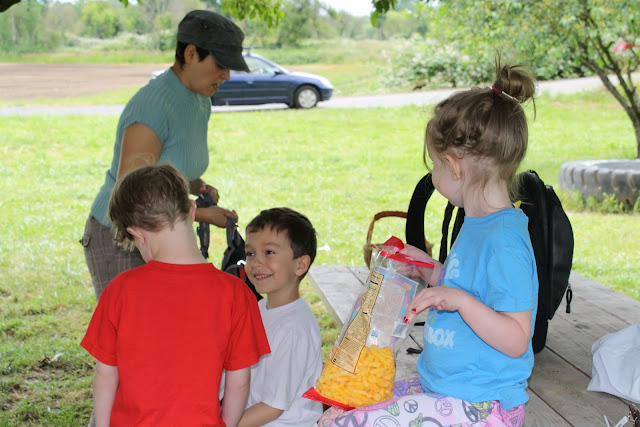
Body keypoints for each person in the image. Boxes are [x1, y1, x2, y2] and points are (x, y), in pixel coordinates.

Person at [319, 61, 539, 427]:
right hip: (446, 389)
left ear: (454, 166)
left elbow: (516, 339)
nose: (434, 175)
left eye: (433, 165)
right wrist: (429, 269)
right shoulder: (477, 223)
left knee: (344, 424)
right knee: (344, 407)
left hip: (482, 406)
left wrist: (458, 300)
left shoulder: (504, 241)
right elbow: (467, 287)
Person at [80, 164, 271, 426]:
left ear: (136, 233)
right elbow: (238, 383)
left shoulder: (120, 290)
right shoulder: (236, 294)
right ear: (192, 211)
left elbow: (105, 375)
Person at [81, 9, 249, 301]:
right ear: (191, 54)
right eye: (221, 64)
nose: (226, 75)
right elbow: (132, 193)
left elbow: (168, 164)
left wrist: (196, 186)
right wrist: (200, 215)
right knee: (131, 327)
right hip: (123, 237)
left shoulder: (200, 99)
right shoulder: (153, 105)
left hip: (163, 234)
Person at [238, 207, 323, 427]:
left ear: (300, 264)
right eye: (250, 253)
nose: (256, 263)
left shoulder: (292, 329)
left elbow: (273, 407)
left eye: (269, 252)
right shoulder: (261, 307)